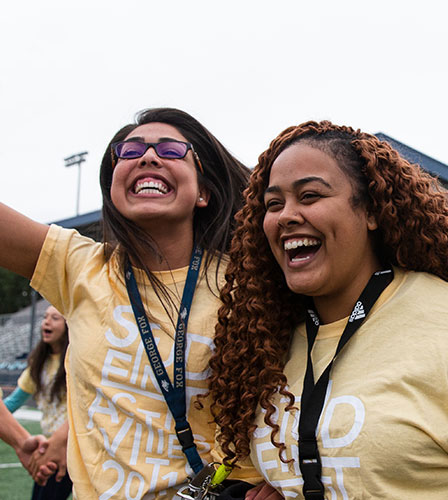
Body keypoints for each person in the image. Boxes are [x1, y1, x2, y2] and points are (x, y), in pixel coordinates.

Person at [208, 121, 448, 500]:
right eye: (273, 204)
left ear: (371, 211)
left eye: (310, 195)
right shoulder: (265, 346)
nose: (286, 216)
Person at [0, 108, 264, 499]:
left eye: (172, 149)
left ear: (204, 192)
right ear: (113, 189)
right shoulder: (78, 265)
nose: (148, 156)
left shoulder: (249, 281)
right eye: (129, 150)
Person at [4, 304, 72, 499]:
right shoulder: (38, 363)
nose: (47, 322)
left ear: (68, 325)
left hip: (72, 446)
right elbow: (12, 403)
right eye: (45, 317)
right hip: (49, 449)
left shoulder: (75, 360)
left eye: (55, 318)